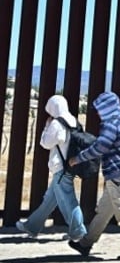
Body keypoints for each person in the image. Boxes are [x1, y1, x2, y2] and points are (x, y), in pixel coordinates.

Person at [67, 91, 120, 260]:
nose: (97, 113)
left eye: (99, 109)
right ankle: (85, 243)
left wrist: (78, 158)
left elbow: (100, 147)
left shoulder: (111, 124)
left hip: (117, 174)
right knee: (104, 211)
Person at [15, 95, 87, 242]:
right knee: (49, 199)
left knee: (69, 200)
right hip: (70, 165)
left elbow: (46, 143)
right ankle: (32, 226)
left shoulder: (56, 123)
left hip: (60, 167)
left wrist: (47, 127)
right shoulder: (73, 120)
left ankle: (78, 231)